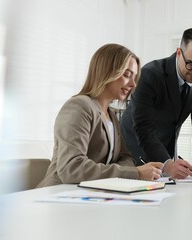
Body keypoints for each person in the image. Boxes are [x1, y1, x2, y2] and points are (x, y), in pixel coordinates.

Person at [37, 44, 163, 188]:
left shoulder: (112, 116)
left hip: (88, 194)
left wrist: (127, 170)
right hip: (57, 194)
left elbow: (125, 157)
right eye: (127, 75)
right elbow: (71, 168)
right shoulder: (79, 106)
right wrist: (134, 174)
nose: (133, 84)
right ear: (107, 72)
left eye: (134, 77)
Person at [121, 28, 192, 179]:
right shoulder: (150, 74)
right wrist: (167, 163)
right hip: (132, 146)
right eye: (191, 64)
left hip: (164, 147)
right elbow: (143, 127)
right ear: (179, 53)